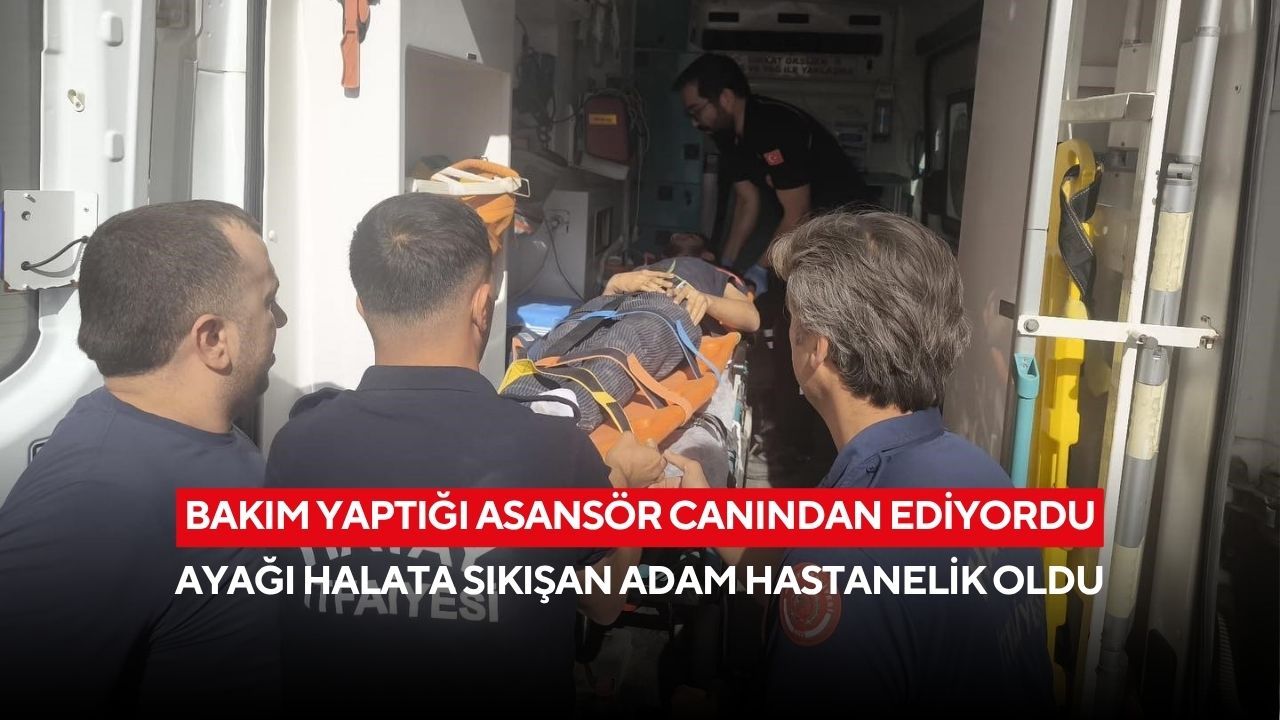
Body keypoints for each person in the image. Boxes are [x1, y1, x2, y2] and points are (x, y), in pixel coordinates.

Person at [265, 193, 665, 712]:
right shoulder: (556, 450)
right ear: (482, 305)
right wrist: (627, 489)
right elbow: (605, 605)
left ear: (362, 307)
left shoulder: (296, 446)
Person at [666, 211, 1055, 712]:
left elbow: (843, 578)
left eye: (792, 319)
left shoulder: (842, 557)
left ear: (816, 349)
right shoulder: (980, 476)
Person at [0, 201, 287, 712]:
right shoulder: (94, 504)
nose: (280, 319)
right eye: (269, 301)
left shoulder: (198, 435)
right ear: (213, 339)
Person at [673, 53, 873, 472]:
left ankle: (818, 453)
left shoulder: (774, 126)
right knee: (787, 339)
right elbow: (747, 203)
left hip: (844, 241)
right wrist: (727, 267)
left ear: (725, 97)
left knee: (820, 346)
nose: (694, 122)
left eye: (697, 110)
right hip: (806, 242)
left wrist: (760, 271)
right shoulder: (729, 138)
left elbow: (796, 211)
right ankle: (788, 438)